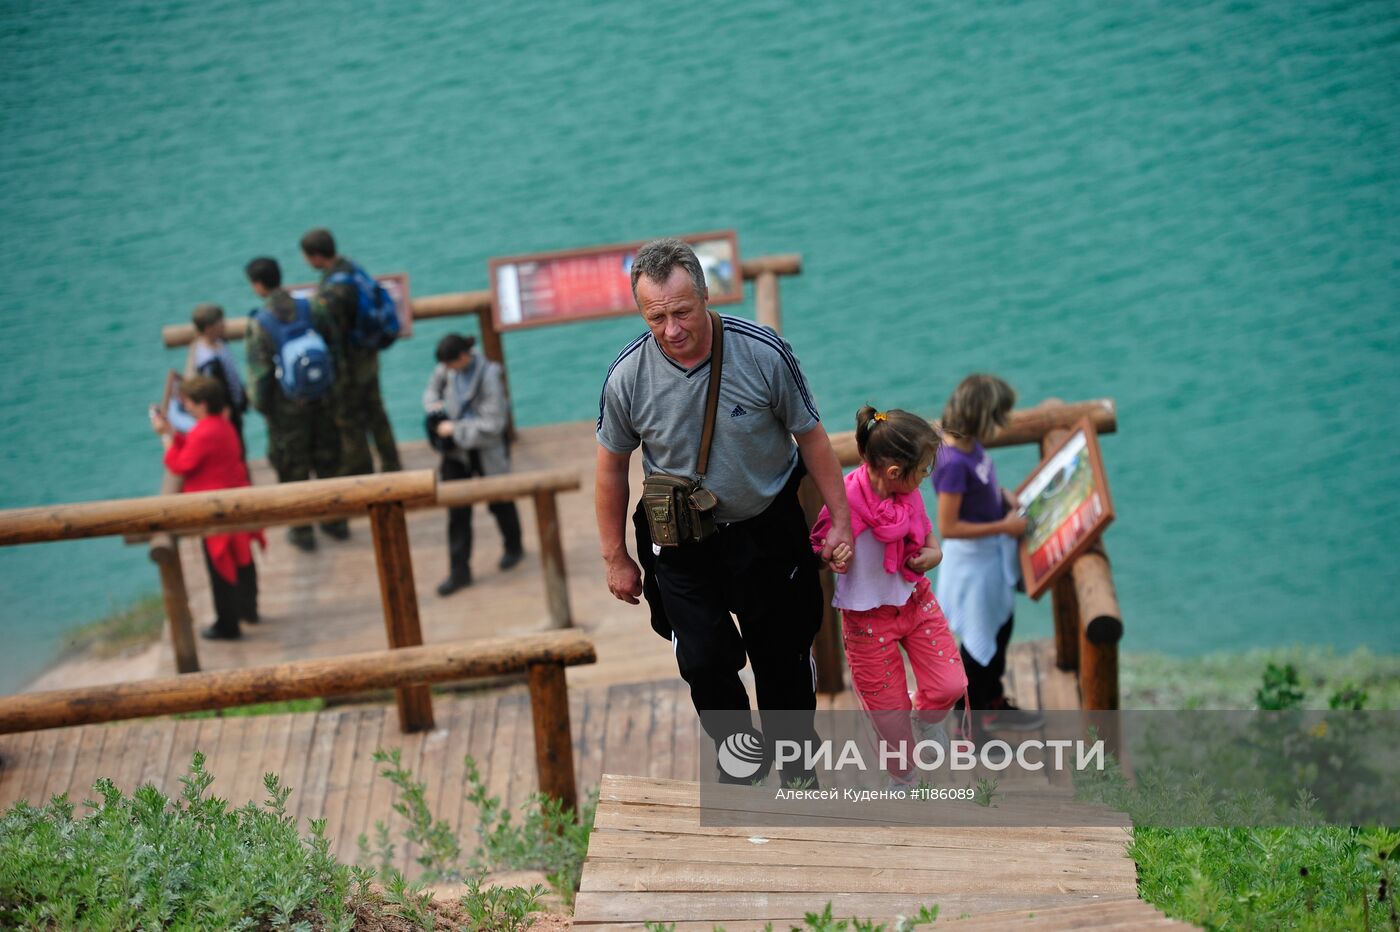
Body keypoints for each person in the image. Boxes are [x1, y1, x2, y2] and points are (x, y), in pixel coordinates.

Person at [595, 238, 853, 782]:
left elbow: (812, 439)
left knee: (781, 661)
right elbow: (610, 468)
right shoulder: (626, 377)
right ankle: (740, 762)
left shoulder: (762, 353)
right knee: (704, 660)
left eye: (682, 312)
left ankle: (797, 772)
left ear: (707, 297)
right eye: (656, 317)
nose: (672, 330)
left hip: (767, 529)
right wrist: (615, 555)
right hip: (682, 540)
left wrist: (843, 521)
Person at [810, 407, 967, 785]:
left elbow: (925, 532)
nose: (926, 477)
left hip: (915, 600)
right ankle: (904, 779)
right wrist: (833, 555)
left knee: (951, 685)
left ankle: (924, 718)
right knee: (889, 721)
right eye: (924, 470)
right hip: (866, 621)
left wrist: (935, 553)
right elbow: (819, 545)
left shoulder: (908, 495)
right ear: (895, 473)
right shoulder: (844, 500)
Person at [933, 374, 1043, 730]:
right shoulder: (952, 464)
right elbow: (949, 527)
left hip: (991, 559)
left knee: (1000, 629)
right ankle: (971, 722)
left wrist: (1002, 497)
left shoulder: (971, 447)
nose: (1001, 424)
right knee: (979, 644)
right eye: (996, 416)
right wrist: (1004, 526)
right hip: (973, 565)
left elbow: (981, 491)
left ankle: (991, 701)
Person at [244, 256, 349, 551]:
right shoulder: (312, 306)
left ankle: (303, 532)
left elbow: (260, 375)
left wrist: (265, 409)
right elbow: (335, 350)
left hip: (287, 411)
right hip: (323, 400)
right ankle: (336, 522)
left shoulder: (259, 323)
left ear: (258, 285)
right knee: (328, 462)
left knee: (292, 470)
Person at [150, 376, 263, 640]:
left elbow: (181, 465)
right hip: (234, 500)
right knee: (243, 561)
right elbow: (194, 449)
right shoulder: (221, 426)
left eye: (187, 403)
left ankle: (228, 624)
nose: (185, 407)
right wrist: (175, 435)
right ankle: (249, 610)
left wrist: (165, 438)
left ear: (201, 404)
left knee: (220, 568)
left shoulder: (204, 431)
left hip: (213, 508)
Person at [423, 332, 523, 596]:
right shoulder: (446, 369)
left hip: (484, 450)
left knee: (500, 501)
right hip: (457, 454)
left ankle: (514, 547)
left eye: (450, 364)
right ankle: (459, 571)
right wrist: (434, 408)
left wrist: (454, 430)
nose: (446, 370)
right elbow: (432, 390)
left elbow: (494, 425)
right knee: (457, 512)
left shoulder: (489, 377)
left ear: (463, 357)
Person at [300, 227, 402, 475]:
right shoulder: (351, 268)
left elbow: (330, 332)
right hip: (368, 358)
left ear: (315, 256)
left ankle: (362, 473)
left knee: (350, 423)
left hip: (348, 369)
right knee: (377, 415)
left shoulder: (334, 291)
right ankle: (392, 465)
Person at [186, 303, 249, 457]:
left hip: (234, 407)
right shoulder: (206, 361)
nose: (224, 326)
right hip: (224, 414)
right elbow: (210, 392)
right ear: (208, 329)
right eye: (220, 323)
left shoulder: (220, 342)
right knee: (234, 451)